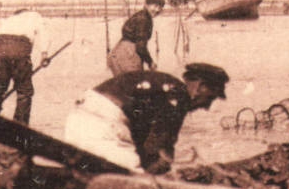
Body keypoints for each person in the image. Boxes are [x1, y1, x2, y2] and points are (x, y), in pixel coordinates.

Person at [63, 62, 228, 173]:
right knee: (136, 182)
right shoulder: (178, 96)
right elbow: (157, 150)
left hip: (77, 120)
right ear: (200, 87)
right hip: (103, 127)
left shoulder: (162, 86)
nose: (207, 107)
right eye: (210, 98)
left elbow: (146, 143)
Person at [0, 8, 53, 126]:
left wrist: (0, 56)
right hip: (20, 49)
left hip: (1, 48)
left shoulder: (8, 19)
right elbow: (44, 33)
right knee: (24, 92)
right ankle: (20, 125)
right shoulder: (35, 16)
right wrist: (44, 53)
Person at [108, 0, 165, 76]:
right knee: (135, 84)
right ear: (146, 5)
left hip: (118, 53)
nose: (157, 10)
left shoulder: (141, 15)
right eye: (155, 6)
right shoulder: (144, 19)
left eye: (160, 7)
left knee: (124, 86)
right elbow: (141, 47)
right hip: (128, 55)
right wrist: (150, 62)